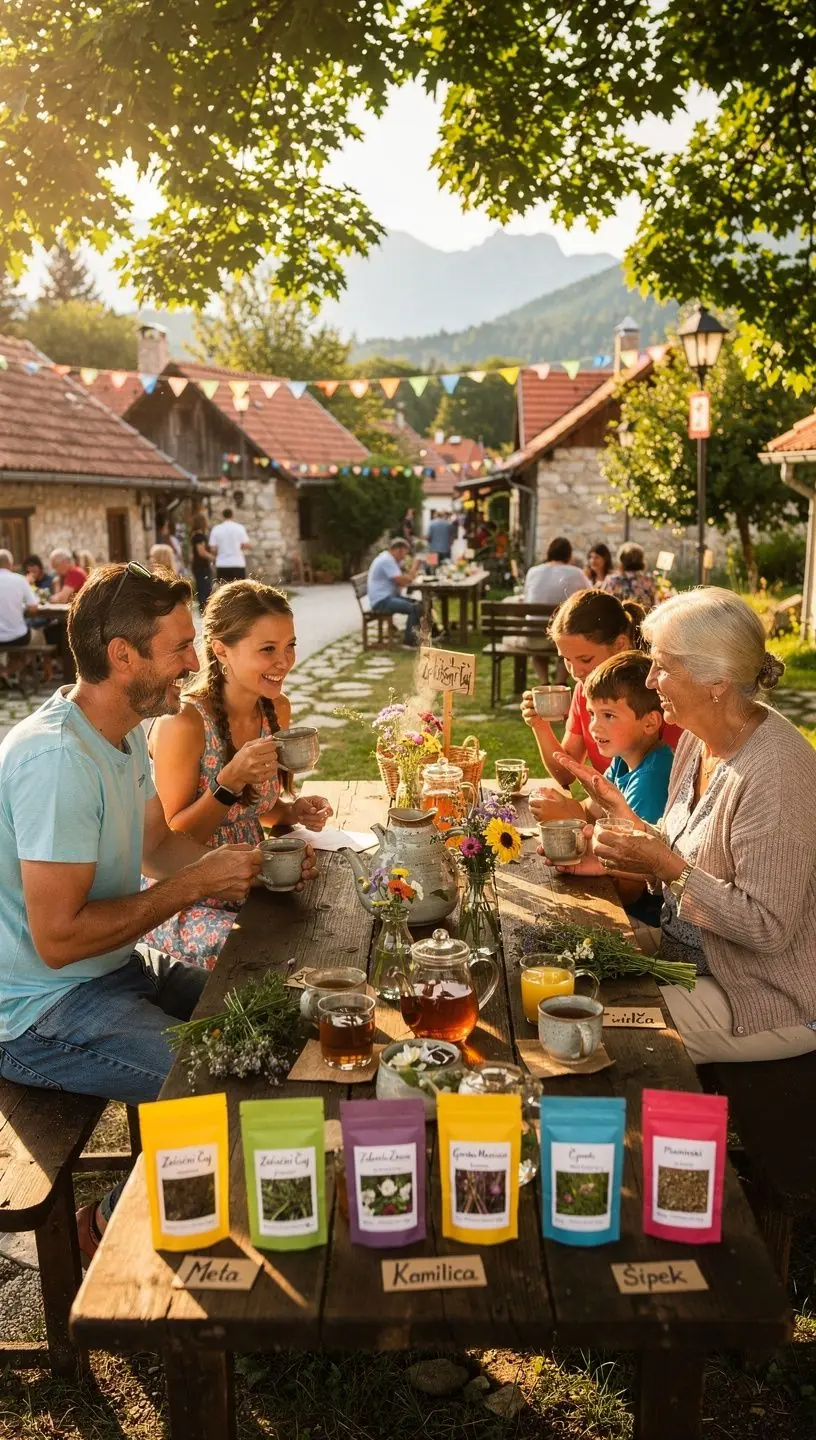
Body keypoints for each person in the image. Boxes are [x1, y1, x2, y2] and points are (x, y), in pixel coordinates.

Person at [0, 564, 304, 1260]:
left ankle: (222, 1203)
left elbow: (159, 851)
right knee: (229, 1092)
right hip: (40, 1016)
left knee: (282, 1019)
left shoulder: (122, 730)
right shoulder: (55, 760)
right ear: (123, 655)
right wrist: (195, 887)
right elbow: (57, 940)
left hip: (115, 972)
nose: (195, 662)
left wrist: (233, 867)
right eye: (180, 647)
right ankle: (102, 1235)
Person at [571, 587, 816, 1065]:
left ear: (716, 681)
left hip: (766, 994)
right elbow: (686, 845)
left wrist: (665, 866)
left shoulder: (776, 773)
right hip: (693, 956)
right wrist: (626, 819)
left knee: (589, 1027)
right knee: (561, 963)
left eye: (662, 665)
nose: (652, 678)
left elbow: (768, 927)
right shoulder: (697, 740)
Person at [144, 580, 333, 968]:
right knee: (271, 955)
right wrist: (228, 782)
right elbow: (168, 842)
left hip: (254, 879)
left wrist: (291, 811)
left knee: (325, 927)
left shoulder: (276, 709)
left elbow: (255, 812)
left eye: (290, 646)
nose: (284, 661)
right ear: (220, 650)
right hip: (188, 898)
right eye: (268, 649)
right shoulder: (184, 723)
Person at [532, 651, 673, 930]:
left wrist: (567, 817)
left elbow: (632, 886)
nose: (594, 726)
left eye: (608, 715)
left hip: (645, 919)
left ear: (650, 722)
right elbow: (593, 808)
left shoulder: (652, 778)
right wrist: (563, 806)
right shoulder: (624, 759)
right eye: (592, 714)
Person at [521, 589, 683, 789]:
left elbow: (674, 782)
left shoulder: (658, 692)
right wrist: (540, 725)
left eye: (585, 659)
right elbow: (566, 774)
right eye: (566, 660)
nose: (575, 672)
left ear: (620, 644)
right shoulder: (586, 689)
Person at [367, 537, 422, 649]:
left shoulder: (389, 559)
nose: (403, 557)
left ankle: (421, 636)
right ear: (398, 550)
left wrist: (408, 574)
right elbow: (402, 581)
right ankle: (409, 642)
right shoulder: (387, 560)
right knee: (415, 608)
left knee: (420, 604)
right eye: (404, 554)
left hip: (386, 598)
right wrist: (414, 568)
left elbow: (402, 579)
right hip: (382, 601)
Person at [523, 537, 587, 606]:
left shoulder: (532, 571)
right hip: (561, 616)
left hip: (534, 616)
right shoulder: (577, 573)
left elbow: (526, 598)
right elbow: (590, 596)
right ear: (569, 554)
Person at [0, 549, 39, 650]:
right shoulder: (20, 580)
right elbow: (33, 608)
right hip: (17, 637)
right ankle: (17, 664)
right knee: (38, 634)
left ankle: (6, 665)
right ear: (10, 564)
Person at [601, 542, 657, 609]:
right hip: (645, 618)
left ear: (621, 560)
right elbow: (654, 605)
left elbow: (602, 604)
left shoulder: (612, 580)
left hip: (619, 618)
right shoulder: (649, 580)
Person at [209, 507, 250, 583]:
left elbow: (212, 549)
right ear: (232, 515)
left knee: (224, 591)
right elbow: (246, 545)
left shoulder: (216, 529)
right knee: (240, 591)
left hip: (222, 564)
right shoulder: (240, 528)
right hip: (238, 563)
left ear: (223, 516)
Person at [190, 510, 215, 611]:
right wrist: (213, 558)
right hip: (202, 566)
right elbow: (201, 552)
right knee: (204, 588)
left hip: (200, 566)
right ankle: (203, 610)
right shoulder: (198, 536)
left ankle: (204, 609)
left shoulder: (196, 535)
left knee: (204, 588)